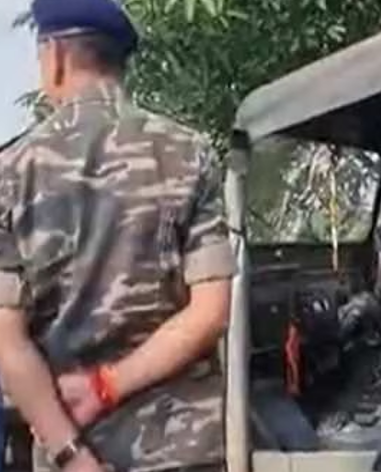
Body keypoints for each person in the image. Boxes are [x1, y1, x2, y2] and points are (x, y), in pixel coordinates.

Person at [0, 0, 237, 471]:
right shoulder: (189, 153)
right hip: (186, 448)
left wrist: (73, 458)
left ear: (56, 56)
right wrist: (107, 385)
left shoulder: (12, 171)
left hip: (74, 445)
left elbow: (8, 343)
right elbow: (212, 310)